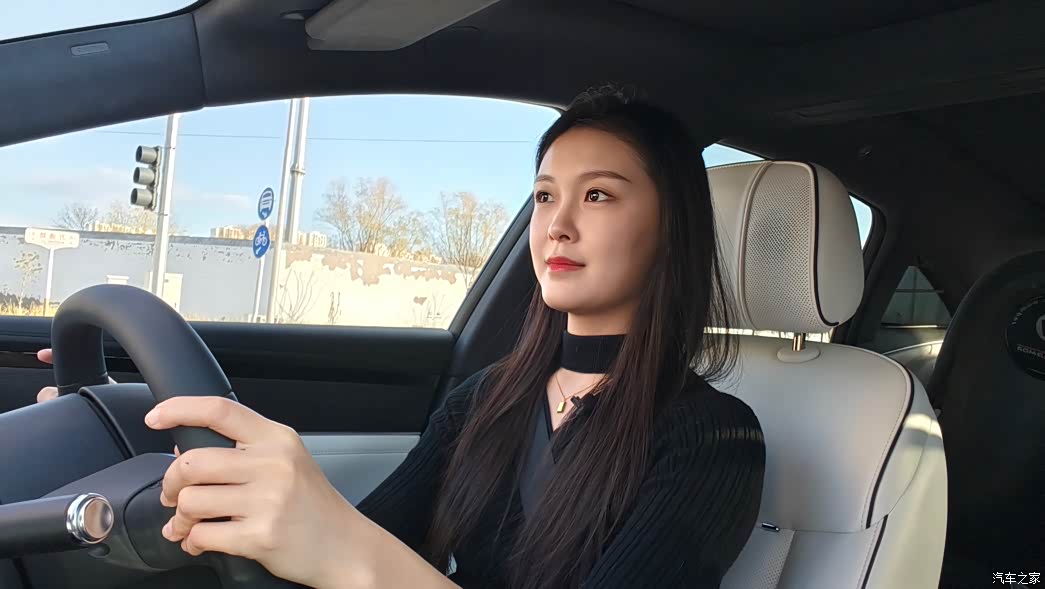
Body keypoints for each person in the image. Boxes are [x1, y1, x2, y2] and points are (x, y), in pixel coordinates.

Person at [35, 86, 766, 588]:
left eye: (597, 195)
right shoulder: (486, 398)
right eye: (545, 195)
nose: (557, 224)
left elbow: (358, 551)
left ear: (669, 226)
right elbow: (379, 536)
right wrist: (142, 439)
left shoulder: (713, 438)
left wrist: (343, 546)